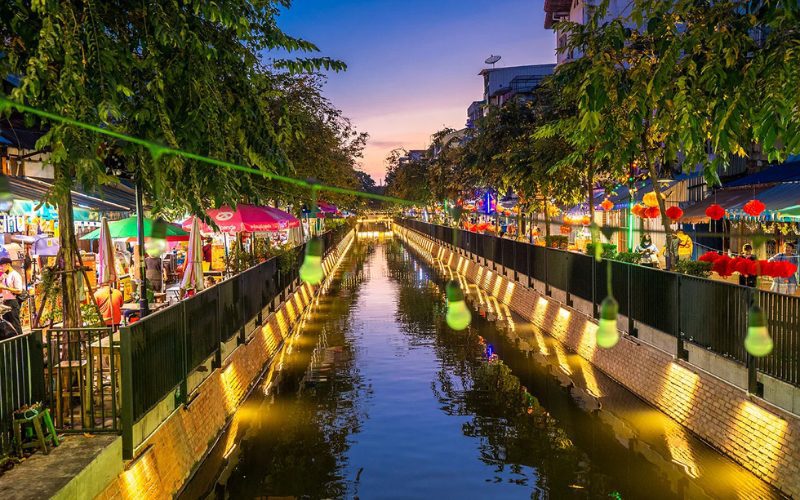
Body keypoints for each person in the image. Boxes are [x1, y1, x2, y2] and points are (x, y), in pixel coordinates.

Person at [0, 257, 24, 337]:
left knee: (15, 324)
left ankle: (20, 343)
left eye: (2, 266)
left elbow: (19, 290)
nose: (1, 268)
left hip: (13, 302)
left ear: (8, 264)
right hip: (5, 302)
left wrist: (5, 287)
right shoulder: (5, 275)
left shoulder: (15, 275)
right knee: (7, 326)